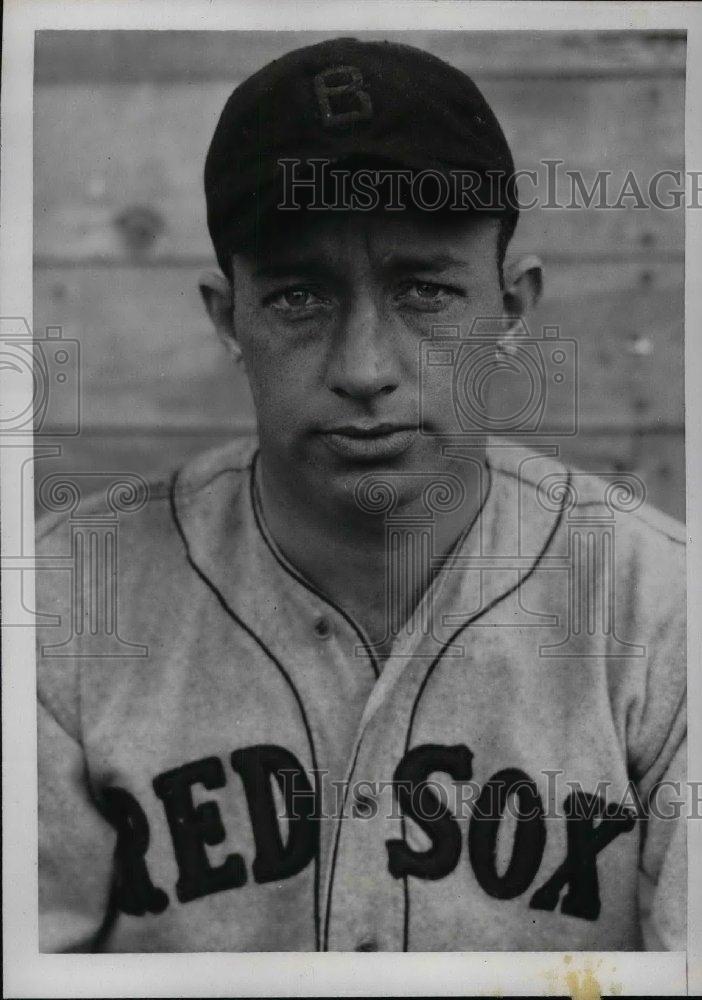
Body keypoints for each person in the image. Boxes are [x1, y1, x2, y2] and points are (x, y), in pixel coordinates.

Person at [36, 36, 686, 953]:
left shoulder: (664, 615)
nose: (364, 368)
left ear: (512, 309)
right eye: (301, 297)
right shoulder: (60, 603)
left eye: (424, 290)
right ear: (230, 319)